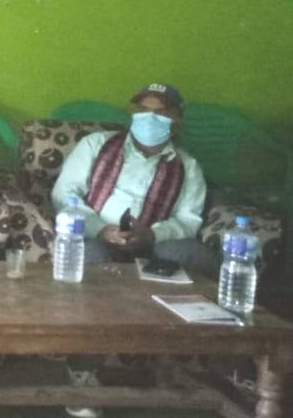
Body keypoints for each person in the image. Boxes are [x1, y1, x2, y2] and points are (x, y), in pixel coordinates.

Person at [51, 83, 213, 418]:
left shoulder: (188, 165)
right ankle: (83, 371)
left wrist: (152, 235)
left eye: (160, 112)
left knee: (196, 257)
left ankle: (208, 366)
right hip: (96, 235)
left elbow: (188, 220)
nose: (150, 118)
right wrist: (100, 228)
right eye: (143, 110)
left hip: (155, 244)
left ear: (176, 119)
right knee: (90, 260)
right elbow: (65, 195)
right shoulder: (96, 145)